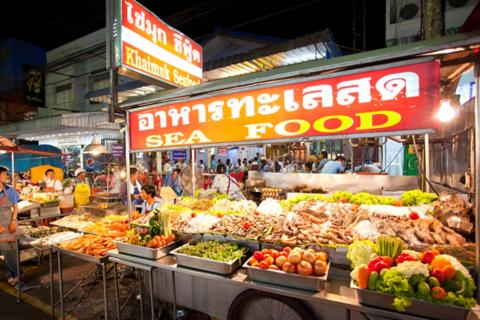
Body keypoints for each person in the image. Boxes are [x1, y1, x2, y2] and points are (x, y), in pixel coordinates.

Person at [0, 166, 23, 288]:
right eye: (4, 174)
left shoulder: (10, 190)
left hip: (10, 223)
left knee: (12, 250)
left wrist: (13, 221)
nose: (7, 176)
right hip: (0, 226)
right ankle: (15, 274)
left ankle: (16, 275)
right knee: (5, 251)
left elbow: (16, 207)